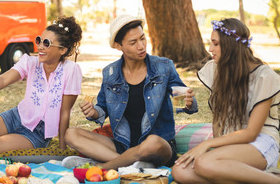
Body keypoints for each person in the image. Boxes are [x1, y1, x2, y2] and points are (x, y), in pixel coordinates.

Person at [62, 15, 198, 170]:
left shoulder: (163, 66)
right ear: (119, 46)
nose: (141, 46)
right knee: (70, 134)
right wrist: (93, 112)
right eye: (133, 42)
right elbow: (101, 109)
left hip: (157, 146)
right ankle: (127, 165)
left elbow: (183, 98)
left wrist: (189, 102)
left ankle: (101, 167)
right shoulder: (110, 73)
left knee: (153, 141)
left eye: (142, 38)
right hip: (123, 145)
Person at [172, 18, 280, 184]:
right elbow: (218, 119)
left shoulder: (264, 76)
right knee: (179, 171)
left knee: (204, 164)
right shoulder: (216, 69)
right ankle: (244, 175)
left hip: (260, 142)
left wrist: (207, 145)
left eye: (215, 44)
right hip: (232, 142)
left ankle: (275, 182)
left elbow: (251, 133)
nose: (209, 49)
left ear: (231, 46)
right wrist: (217, 148)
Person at [0, 16, 83, 161]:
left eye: (47, 43)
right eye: (39, 40)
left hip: (36, 134)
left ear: (63, 50)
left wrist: (62, 149)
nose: (40, 46)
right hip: (15, 116)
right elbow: (3, 79)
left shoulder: (71, 70)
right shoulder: (30, 62)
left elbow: (65, 112)